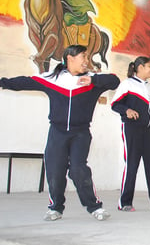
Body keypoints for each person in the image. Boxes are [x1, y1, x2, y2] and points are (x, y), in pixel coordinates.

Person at [0, 44, 120, 221]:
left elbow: (114, 81)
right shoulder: (52, 78)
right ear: (70, 58)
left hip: (81, 133)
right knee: (55, 170)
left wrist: (93, 81)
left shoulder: (92, 79)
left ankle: (94, 207)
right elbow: (23, 82)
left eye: (87, 57)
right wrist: (2, 82)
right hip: (57, 132)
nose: (86, 61)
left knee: (79, 170)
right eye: (83, 57)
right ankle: (55, 207)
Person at [111, 56, 150, 212]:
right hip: (132, 128)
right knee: (132, 164)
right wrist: (127, 110)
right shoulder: (127, 84)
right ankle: (125, 202)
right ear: (141, 67)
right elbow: (115, 104)